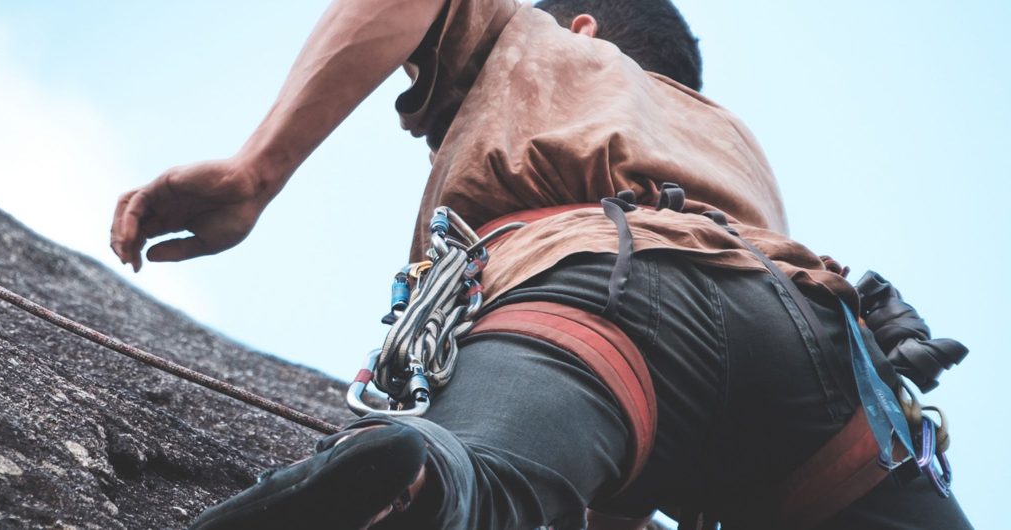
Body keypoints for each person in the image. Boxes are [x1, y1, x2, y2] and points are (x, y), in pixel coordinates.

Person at [108, 0, 973, 528]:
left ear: (584, 26)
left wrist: (258, 170)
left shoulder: (549, 45)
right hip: (812, 346)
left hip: (598, 298)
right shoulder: (730, 139)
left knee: (474, 480)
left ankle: (423, 491)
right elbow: (671, 411)